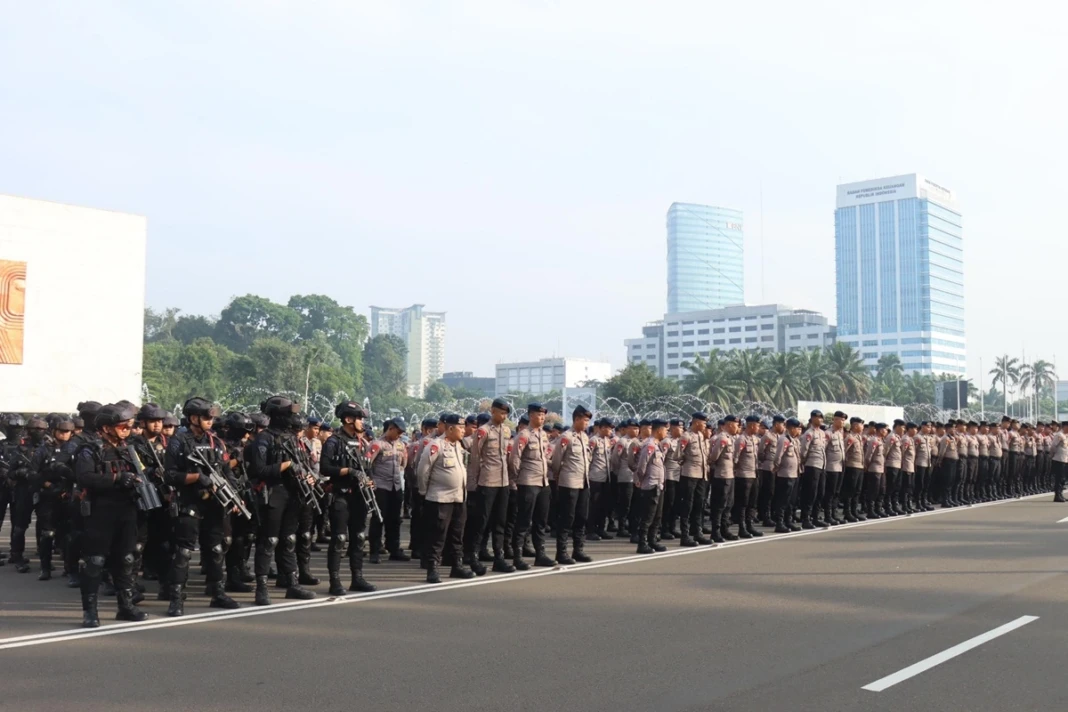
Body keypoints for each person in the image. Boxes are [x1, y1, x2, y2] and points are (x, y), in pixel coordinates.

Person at [162, 398, 240, 615]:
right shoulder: (178, 441)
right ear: (193, 418)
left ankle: (218, 593)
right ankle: (176, 598)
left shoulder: (217, 442)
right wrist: (196, 477)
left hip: (214, 504)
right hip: (189, 502)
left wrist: (235, 494)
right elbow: (169, 476)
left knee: (216, 549)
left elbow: (227, 472)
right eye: (206, 417)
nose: (210, 421)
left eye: (212, 417)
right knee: (184, 552)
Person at [73, 403, 148, 627]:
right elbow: (84, 477)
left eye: (129, 426)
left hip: (126, 510)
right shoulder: (90, 449)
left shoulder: (129, 449)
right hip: (99, 511)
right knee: (95, 561)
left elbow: (141, 472)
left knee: (126, 559)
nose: (127, 430)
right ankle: (90, 612)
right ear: (106, 428)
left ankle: (125, 606)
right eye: (123, 426)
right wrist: (115, 479)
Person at [246, 396, 320, 605]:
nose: (293, 418)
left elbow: (302, 464)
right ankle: (261, 588)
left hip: (293, 493)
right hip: (273, 494)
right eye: (289, 414)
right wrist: (286, 466)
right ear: (279, 416)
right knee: (269, 540)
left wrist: (306, 475)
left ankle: (292, 583)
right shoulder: (264, 439)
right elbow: (258, 470)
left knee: (289, 540)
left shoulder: (292, 438)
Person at [319, 400, 377, 596]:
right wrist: (348, 471)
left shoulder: (362, 442)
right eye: (359, 418)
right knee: (339, 539)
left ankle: (357, 578)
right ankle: (335, 581)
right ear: (348, 419)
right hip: (341, 494)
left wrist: (369, 481)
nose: (362, 422)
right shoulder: (333, 442)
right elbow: (325, 468)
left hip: (359, 496)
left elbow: (368, 468)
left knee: (359, 537)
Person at [417, 413, 474, 583]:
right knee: (437, 535)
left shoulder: (458, 446)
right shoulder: (436, 445)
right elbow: (422, 471)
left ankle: (457, 566)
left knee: (457, 534)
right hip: (440, 498)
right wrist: (424, 492)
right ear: (450, 428)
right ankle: (432, 568)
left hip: (458, 498)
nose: (464, 431)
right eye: (461, 428)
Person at [463, 398, 515, 574]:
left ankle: (498, 558)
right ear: (492, 411)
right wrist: (474, 482)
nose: (504, 416)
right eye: (501, 412)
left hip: (503, 481)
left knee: (500, 521)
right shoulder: (483, 431)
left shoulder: (507, 431)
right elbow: (475, 458)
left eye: (506, 413)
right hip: (486, 480)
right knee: (481, 521)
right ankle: (473, 556)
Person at [508, 403, 554, 570]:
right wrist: (516, 478)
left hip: (543, 482)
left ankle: (540, 554)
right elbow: (514, 459)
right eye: (538, 415)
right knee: (523, 521)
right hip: (528, 482)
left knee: (541, 521)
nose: (541, 418)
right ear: (530, 415)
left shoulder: (543, 435)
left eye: (543, 415)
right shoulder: (524, 435)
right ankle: (518, 556)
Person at [29, 417, 73, 579]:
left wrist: (67, 488)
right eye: (61, 431)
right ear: (54, 431)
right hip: (47, 497)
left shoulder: (74, 449)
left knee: (69, 534)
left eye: (67, 431)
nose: (64, 434)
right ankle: (45, 568)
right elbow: (32, 473)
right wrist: (47, 485)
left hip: (67, 496)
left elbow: (80, 473)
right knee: (48, 534)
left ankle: (70, 568)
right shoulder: (43, 450)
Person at [549, 405, 594, 565]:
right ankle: (561, 552)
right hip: (569, 482)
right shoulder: (566, 437)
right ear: (576, 419)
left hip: (583, 482)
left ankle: (578, 550)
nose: (587, 423)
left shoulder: (585, 437)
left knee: (582, 517)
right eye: (585, 420)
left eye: (588, 421)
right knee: (567, 518)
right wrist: (559, 476)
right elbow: (556, 461)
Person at [367, 418, 409, 564]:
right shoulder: (377, 444)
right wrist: (371, 481)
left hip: (396, 486)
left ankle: (394, 549)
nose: (399, 435)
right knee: (378, 519)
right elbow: (367, 464)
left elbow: (403, 463)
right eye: (398, 432)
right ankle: (375, 550)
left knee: (395, 520)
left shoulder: (401, 445)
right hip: (381, 486)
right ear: (390, 428)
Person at [3, 415, 43, 573]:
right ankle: (17, 555)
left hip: (42, 490)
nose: (38, 432)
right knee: (20, 525)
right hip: (23, 490)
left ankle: (44, 559)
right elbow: (11, 473)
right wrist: (23, 472)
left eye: (41, 429)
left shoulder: (48, 447)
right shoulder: (20, 448)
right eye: (35, 429)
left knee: (45, 524)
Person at [676, 412, 710, 547]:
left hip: (701, 475)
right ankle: (685, 536)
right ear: (696, 422)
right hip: (689, 475)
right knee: (687, 505)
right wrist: (686, 462)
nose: (705, 425)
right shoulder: (686, 436)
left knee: (699, 504)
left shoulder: (700, 436)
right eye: (704, 423)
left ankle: (697, 532)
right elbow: (678, 455)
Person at [634, 419, 668, 553]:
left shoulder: (657, 444)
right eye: (665, 429)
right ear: (659, 430)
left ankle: (652, 541)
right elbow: (642, 466)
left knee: (657, 516)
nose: (666, 432)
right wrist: (640, 481)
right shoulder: (649, 445)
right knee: (647, 517)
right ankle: (642, 543)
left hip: (658, 486)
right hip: (650, 486)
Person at [708, 415, 738, 543]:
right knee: (719, 505)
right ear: (730, 424)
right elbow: (713, 457)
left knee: (728, 504)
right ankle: (716, 532)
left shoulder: (730, 438)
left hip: (730, 475)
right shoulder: (722, 439)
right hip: (721, 476)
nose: (737, 427)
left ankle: (724, 530)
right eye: (736, 425)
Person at [732, 415, 762, 539]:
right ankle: (742, 527)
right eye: (758, 425)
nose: (759, 428)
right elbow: (735, 458)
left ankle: (749, 525)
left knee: (752, 502)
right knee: (742, 503)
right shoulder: (741, 440)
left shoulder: (755, 439)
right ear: (751, 425)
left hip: (754, 474)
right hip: (743, 476)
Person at [798, 410, 828, 528]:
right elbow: (803, 451)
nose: (820, 420)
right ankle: (806, 518)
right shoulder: (809, 433)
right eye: (818, 417)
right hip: (812, 465)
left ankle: (815, 517)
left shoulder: (822, 433)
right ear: (812, 418)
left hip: (821, 465)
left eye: (821, 418)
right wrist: (804, 463)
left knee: (820, 493)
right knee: (810, 493)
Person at [772, 418, 803, 533]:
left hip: (794, 473)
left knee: (791, 500)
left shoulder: (794, 440)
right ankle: (779, 523)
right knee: (783, 500)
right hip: (785, 474)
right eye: (797, 428)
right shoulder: (783, 440)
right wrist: (777, 468)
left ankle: (788, 521)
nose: (798, 431)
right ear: (792, 428)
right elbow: (778, 457)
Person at [587, 417, 615, 541]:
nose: (611, 431)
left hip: (606, 477)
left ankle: (601, 529)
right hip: (595, 478)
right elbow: (588, 459)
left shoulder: (607, 441)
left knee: (604, 505)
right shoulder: (594, 441)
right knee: (594, 506)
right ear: (603, 428)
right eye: (609, 428)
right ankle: (590, 530)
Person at [757, 415, 784, 527]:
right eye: (782, 424)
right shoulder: (767, 436)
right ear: (777, 424)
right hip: (768, 468)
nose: (783, 427)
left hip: (778, 468)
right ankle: (765, 516)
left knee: (776, 492)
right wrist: (766, 462)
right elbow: (760, 453)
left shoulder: (780, 436)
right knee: (768, 493)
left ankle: (773, 514)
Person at [821, 411, 847, 525]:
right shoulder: (828, 433)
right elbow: (823, 450)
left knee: (837, 492)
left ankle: (834, 514)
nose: (843, 422)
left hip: (840, 466)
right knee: (830, 493)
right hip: (831, 467)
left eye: (844, 420)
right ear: (835, 420)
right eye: (841, 420)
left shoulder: (839, 434)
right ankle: (828, 515)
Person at [661, 418, 683, 539]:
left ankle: (672, 528)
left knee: (676, 504)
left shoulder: (679, 441)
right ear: (673, 428)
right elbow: (661, 459)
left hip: (678, 476)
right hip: (669, 476)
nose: (682, 430)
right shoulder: (666, 441)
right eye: (680, 427)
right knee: (668, 504)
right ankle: (665, 529)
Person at [841, 417, 866, 522]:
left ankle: (854, 511)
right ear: (855, 426)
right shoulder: (850, 438)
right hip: (852, 467)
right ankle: (847, 512)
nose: (863, 427)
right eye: (861, 425)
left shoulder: (859, 438)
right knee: (850, 491)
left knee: (857, 491)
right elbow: (844, 453)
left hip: (859, 467)